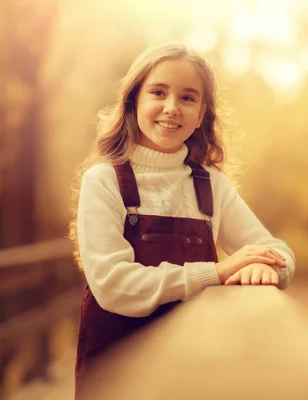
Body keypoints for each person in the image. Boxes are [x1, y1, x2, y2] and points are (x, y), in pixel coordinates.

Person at [69, 43, 296, 398]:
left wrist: (267, 269)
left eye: (188, 98)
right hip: (117, 375)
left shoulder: (212, 186)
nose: (172, 108)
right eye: (158, 92)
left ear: (202, 112)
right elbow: (113, 285)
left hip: (195, 371)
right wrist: (218, 272)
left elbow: (275, 250)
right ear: (134, 101)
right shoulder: (103, 181)